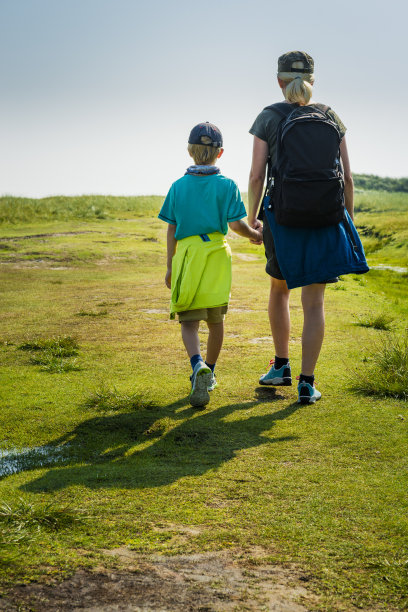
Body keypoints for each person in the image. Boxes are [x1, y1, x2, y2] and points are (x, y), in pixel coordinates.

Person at [247, 51, 368, 405]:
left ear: (279, 80)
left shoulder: (268, 116)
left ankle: (281, 366)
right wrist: (345, 220)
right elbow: (347, 177)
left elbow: (257, 175)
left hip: (283, 219)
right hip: (324, 218)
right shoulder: (330, 116)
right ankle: (306, 383)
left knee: (279, 290)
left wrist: (253, 217)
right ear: (313, 80)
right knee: (314, 303)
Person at [159, 122, 262, 407]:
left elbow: (171, 228)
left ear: (190, 151)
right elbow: (235, 224)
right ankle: (211, 371)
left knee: (189, 321)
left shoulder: (177, 186)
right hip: (217, 254)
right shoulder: (227, 185)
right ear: (220, 153)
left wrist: (170, 266)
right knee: (216, 321)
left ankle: (196, 366)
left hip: (189, 256)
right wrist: (255, 235)